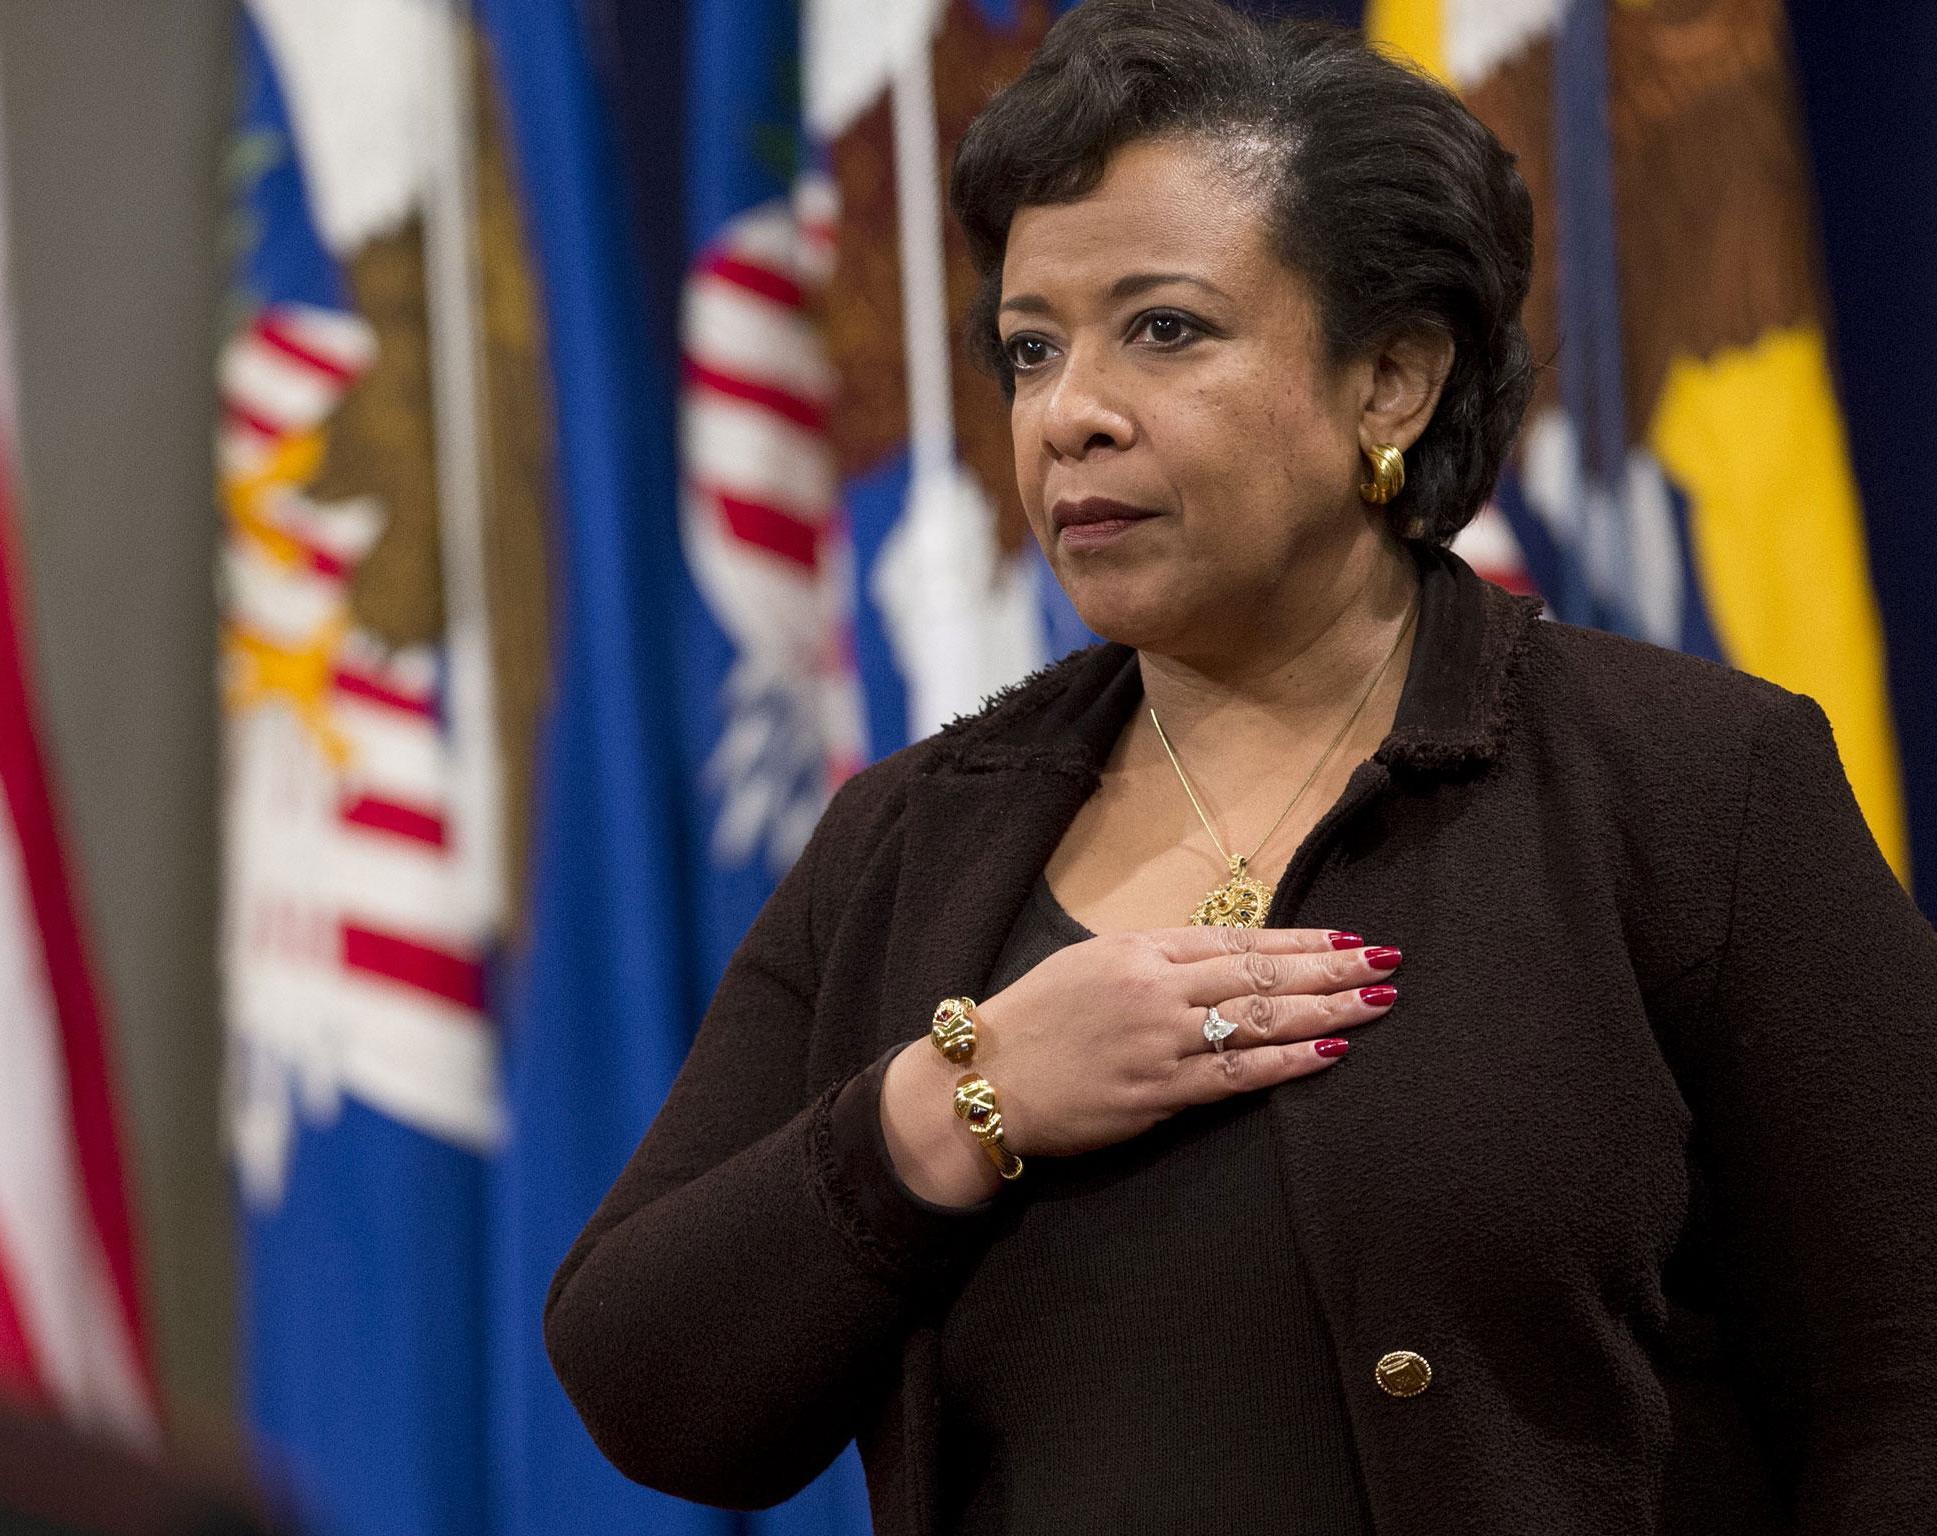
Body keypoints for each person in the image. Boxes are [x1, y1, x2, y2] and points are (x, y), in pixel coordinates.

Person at [544, 3, 1937, 1531]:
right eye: (1029, 348)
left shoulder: (1696, 787)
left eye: (1166, 328)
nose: (1069, 414)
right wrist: (968, 1095)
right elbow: (648, 1383)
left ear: (1390, 381)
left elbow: (1901, 1392)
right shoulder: (909, 841)